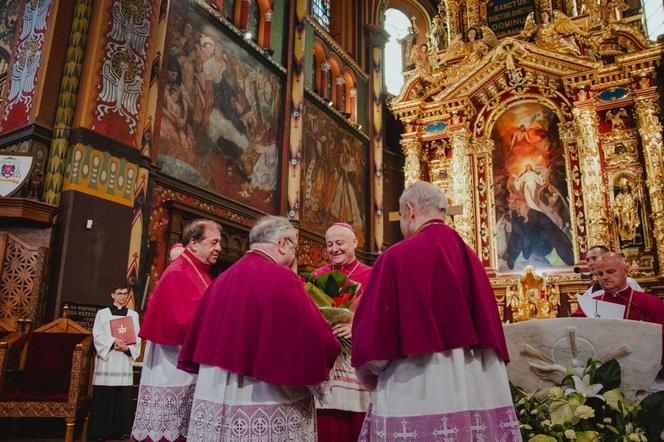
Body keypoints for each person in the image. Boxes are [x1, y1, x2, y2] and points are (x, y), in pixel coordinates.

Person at [352, 181, 521, 440]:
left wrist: (369, 371)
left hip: (416, 384)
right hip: (475, 381)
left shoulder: (396, 257)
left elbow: (375, 336)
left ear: (409, 210)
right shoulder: (472, 258)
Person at [177, 216, 339, 440]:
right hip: (265, 397)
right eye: (294, 246)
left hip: (215, 391)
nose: (294, 256)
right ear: (282, 243)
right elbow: (314, 340)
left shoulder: (221, 280)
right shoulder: (283, 278)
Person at [131, 219, 222, 442]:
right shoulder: (178, 272)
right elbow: (181, 322)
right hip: (172, 367)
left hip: (188, 366)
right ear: (194, 244)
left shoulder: (200, 271)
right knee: (169, 429)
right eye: (213, 242)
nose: (219, 248)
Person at [313, 222, 372, 442]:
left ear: (355, 243)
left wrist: (355, 326)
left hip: (356, 361)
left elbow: (380, 315)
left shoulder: (372, 274)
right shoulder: (318, 275)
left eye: (340, 243)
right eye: (329, 244)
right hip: (325, 362)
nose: (334, 249)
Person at [573, 253, 664, 360]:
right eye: (600, 274)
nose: (605, 277)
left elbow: (659, 339)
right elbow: (577, 334)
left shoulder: (650, 302)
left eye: (610, 272)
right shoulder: (589, 303)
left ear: (625, 271)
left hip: (641, 361)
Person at [88, 286, 140, 441]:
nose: (123, 297)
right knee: (105, 396)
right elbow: (97, 334)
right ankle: (101, 432)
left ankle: (121, 430)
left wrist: (127, 347)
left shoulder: (133, 314)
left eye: (125, 294)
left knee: (122, 395)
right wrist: (112, 341)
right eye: (119, 293)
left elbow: (137, 336)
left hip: (123, 359)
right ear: (112, 295)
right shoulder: (102, 313)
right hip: (108, 359)